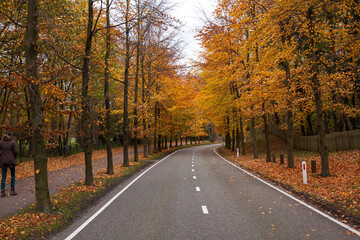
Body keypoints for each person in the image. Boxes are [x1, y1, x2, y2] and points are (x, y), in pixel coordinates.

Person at [0, 131, 18, 197]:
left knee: (3, 176)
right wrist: (14, 157)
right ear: (10, 135)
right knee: (13, 175)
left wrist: (1, 156)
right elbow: (16, 151)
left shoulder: (1, 142)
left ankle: (2, 191)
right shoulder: (13, 142)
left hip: (3, 160)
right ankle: (12, 191)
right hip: (11, 160)